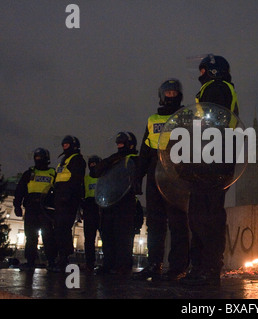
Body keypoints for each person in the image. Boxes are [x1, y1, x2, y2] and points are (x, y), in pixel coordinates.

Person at [181, 54, 239, 286]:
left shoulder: (215, 88)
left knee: (207, 215)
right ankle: (202, 266)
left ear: (213, 71)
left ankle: (208, 266)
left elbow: (208, 125)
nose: (200, 73)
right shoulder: (216, 89)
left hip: (213, 159)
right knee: (201, 214)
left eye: (204, 70)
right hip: (213, 157)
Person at [135, 79, 190, 281]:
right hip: (154, 174)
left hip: (176, 175)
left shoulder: (186, 115)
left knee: (178, 223)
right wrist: (137, 177)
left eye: (175, 93)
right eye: (168, 93)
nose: (171, 96)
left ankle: (177, 267)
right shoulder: (152, 119)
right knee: (155, 223)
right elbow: (144, 150)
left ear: (180, 95)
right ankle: (153, 264)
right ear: (161, 95)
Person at [91, 132, 139, 275]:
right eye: (118, 143)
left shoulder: (134, 158)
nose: (119, 146)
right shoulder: (114, 159)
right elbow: (95, 172)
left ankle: (122, 266)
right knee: (107, 234)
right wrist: (112, 159)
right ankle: (108, 264)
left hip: (125, 202)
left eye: (122, 143)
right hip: (110, 202)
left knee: (122, 236)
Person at [13, 148, 57, 271]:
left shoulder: (53, 173)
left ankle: (52, 261)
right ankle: (30, 261)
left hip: (46, 209)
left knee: (48, 236)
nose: (38, 160)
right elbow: (20, 189)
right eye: (36, 157)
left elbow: (58, 191)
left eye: (40, 157)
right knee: (31, 236)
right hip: (32, 208)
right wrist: (17, 205)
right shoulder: (29, 173)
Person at [51, 136, 86, 272]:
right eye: (63, 144)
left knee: (63, 228)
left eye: (67, 144)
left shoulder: (77, 160)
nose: (64, 146)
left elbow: (76, 180)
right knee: (59, 228)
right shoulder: (63, 161)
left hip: (68, 200)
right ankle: (61, 257)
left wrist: (68, 195)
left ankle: (64, 259)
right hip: (60, 199)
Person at [81, 155, 102, 272]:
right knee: (89, 239)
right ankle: (90, 263)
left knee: (104, 237)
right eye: (91, 164)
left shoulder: (104, 177)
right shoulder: (86, 179)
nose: (93, 166)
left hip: (100, 208)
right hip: (90, 208)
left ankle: (106, 263)